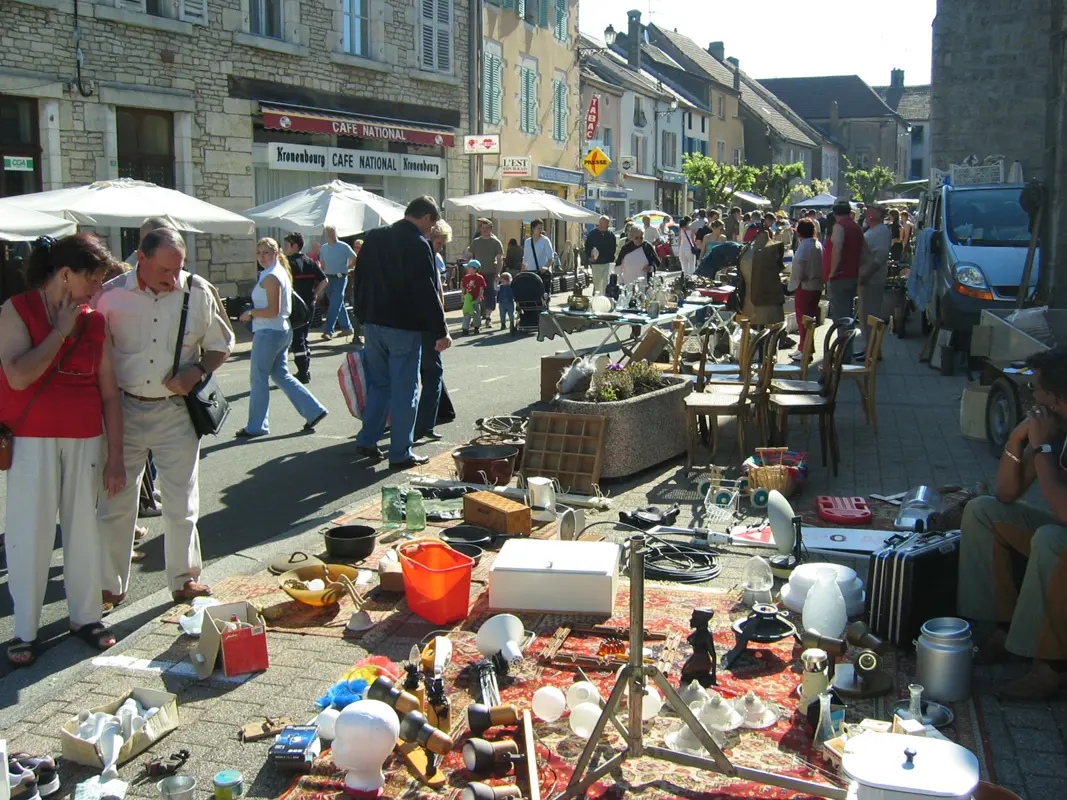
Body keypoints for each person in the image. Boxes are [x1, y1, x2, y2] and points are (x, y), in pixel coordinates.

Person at [0, 234, 124, 666]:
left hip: (85, 437)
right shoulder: (17, 310)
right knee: (29, 533)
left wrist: (116, 455)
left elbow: (109, 393)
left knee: (84, 529)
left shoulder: (96, 321)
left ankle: (86, 617)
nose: (98, 289)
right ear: (66, 274)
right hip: (31, 438)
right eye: (94, 279)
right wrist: (59, 333)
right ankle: (25, 629)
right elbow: (18, 376)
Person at [95, 227, 235, 606]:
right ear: (141, 258)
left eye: (178, 269)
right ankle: (110, 585)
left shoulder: (197, 291)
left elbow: (221, 344)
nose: (173, 279)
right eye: (164, 270)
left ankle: (184, 578)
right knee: (116, 500)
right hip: (123, 408)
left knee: (181, 500)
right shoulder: (109, 296)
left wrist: (197, 371)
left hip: (175, 411)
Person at [957, 348, 1067, 701]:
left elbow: (1064, 513)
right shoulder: (1055, 425)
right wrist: (1019, 438)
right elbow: (1006, 493)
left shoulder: (1052, 434)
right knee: (983, 511)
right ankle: (1002, 631)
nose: (1030, 395)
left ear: (1056, 397)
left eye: (1035, 389)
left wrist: (1043, 448)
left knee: (1052, 540)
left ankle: (1051, 668)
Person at [352, 196, 450, 469]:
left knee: (380, 385)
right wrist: (440, 329)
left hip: (373, 323)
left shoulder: (374, 237)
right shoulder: (418, 243)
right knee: (406, 391)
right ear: (425, 218)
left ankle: (367, 439)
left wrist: (361, 315)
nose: (431, 230)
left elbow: (359, 278)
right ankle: (400, 452)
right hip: (403, 326)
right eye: (431, 224)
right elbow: (426, 289)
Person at [236, 238, 328, 439]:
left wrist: (250, 313)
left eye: (266, 252)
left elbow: (273, 310)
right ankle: (314, 410)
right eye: (259, 252)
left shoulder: (272, 276)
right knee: (280, 375)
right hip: (279, 331)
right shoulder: (276, 273)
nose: (262, 257)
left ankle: (257, 425)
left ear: (276, 254)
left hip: (269, 332)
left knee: (259, 378)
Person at [415, 219, 452, 443]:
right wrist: (442, 329)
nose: (440, 248)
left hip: (414, 324)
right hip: (427, 326)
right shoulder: (426, 256)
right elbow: (433, 297)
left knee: (421, 373)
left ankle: (421, 423)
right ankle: (423, 425)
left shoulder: (424, 256)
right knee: (433, 374)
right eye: (439, 243)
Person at [284, 232, 326, 384]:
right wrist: (315, 293)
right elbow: (324, 280)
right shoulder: (310, 261)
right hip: (309, 304)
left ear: (294, 245)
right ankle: (305, 368)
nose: (285, 248)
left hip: (295, 305)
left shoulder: (287, 263)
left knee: (298, 338)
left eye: (287, 244)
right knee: (303, 336)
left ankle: (303, 372)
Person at [824, 199, 863, 359]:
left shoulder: (840, 227)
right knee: (847, 315)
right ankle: (846, 352)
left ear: (835, 213)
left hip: (840, 277)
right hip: (852, 276)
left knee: (841, 318)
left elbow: (837, 249)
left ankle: (843, 355)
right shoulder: (856, 227)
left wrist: (833, 272)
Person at [788, 219, 824, 359]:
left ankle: (805, 350)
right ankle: (804, 346)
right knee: (809, 320)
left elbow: (799, 266)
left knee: (803, 321)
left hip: (805, 286)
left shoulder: (804, 247)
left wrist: (794, 284)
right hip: (816, 286)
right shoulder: (818, 244)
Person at [859, 206, 891, 357]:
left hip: (872, 279)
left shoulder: (881, 231)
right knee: (864, 316)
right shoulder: (872, 230)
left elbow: (880, 258)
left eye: (871, 211)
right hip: (866, 278)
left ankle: (873, 351)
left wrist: (866, 274)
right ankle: (869, 348)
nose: (867, 214)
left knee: (871, 315)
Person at [319, 225, 357, 341]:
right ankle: (347, 328)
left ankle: (328, 331)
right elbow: (322, 263)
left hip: (340, 278)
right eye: (329, 233)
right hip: (328, 278)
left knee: (334, 305)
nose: (331, 235)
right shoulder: (324, 248)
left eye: (333, 232)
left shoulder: (343, 246)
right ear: (326, 235)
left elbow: (355, 258)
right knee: (338, 304)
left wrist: (348, 267)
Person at [468, 218, 503, 327]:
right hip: (477, 274)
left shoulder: (496, 242)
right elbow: (470, 257)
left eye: (487, 228)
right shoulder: (476, 242)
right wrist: (469, 270)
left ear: (491, 229)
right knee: (476, 296)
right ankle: (476, 317)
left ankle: (488, 317)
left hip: (490, 273)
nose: (484, 230)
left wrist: (498, 273)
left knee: (490, 295)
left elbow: (500, 259)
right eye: (482, 228)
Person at [584, 215, 617, 295]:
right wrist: (589, 257)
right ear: (601, 223)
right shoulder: (592, 234)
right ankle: (597, 298)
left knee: (606, 282)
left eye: (608, 223)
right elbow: (587, 247)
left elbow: (613, 248)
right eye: (607, 223)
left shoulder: (611, 235)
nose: (608, 224)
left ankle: (604, 298)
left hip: (608, 263)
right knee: (597, 282)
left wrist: (612, 259)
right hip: (596, 263)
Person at [461, 260, 487, 335]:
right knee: (466, 313)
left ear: (475, 268)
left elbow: (481, 288)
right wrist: (462, 295)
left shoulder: (480, 278)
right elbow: (463, 287)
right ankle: (465, 328)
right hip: (467, 299)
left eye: (469, 267)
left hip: (475, 299)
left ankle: (476, 327)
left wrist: (479, 296)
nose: (467, 268)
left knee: (476, 314)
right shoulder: (466, 277)